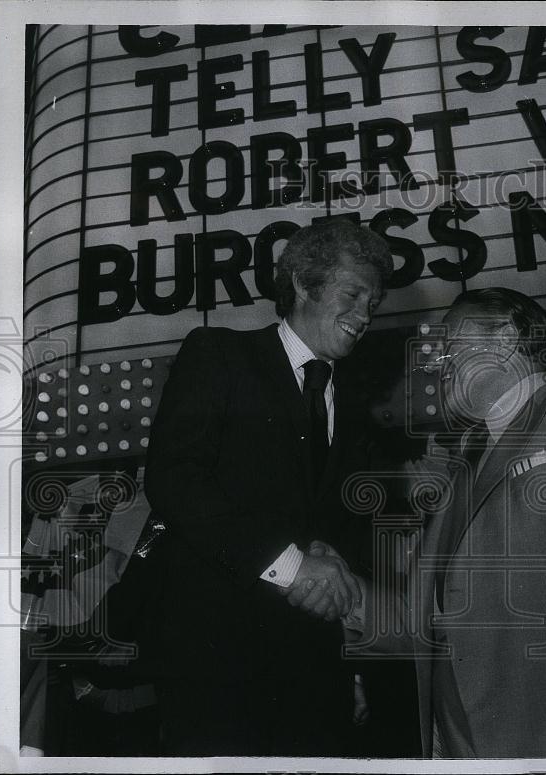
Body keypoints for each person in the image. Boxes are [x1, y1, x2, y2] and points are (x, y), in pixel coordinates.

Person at [289, 287, 546, 758]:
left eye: (448, 346)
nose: (436, 364)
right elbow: (426, 623)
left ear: (506, 339)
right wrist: (341, 588)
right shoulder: (460, 475)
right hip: (462, 746)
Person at [144, 219, 391, 755]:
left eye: (374, 302)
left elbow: (345, 535)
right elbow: (175, 477)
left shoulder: (355, 403)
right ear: (303, 283)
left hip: (314, 669)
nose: (365, 315)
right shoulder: (218, 354)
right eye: (353, 294)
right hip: (216, 667)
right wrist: (290, 563)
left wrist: (350, 660)